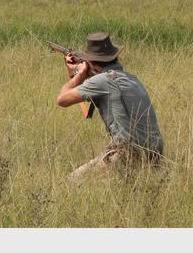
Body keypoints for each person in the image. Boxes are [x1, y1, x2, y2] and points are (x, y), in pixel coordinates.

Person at [56, 32, 164, 181]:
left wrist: (79, 74)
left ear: (91, 62)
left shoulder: (103, 80)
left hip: (128, 154)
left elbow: (62, 99)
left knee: (69, 182)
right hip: (155, 153)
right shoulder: (133, 79)